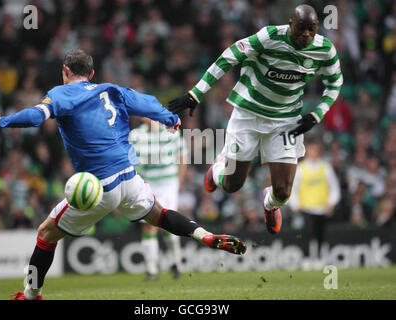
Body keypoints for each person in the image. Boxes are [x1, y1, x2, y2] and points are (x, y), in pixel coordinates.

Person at [0, 49, 247, 300]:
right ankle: (205, 235)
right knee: (159, 214)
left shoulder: (61, 94)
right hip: (129, 177)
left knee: (46, 233)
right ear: (92, 73)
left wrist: (2, 120)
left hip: (99, 184)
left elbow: (35, 117)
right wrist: (170, 118)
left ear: (66, 71)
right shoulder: (112, 90)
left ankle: (30, 295)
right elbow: (148, 103)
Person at [168, 5, 343, 235]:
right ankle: (218, 169)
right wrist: (195, 94)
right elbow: (229, 55)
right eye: (301, 28)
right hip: (248, 114)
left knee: (283, 192)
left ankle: (269, 205)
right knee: (233, 185)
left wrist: (316, 113)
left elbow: (335, 83)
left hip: (285, 120)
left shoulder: (324, 49)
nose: (306, 35)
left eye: (312, 29)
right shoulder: (270, 36)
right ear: (291, 23)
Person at [129, 117, 186, 280]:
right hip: (149, 184)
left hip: (168, 183)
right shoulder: (136, 135)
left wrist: (179, 181)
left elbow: (182, 156)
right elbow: (130, 161)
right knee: (148, 225)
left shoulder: (172, 131)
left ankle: (176, 263)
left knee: (170, 224)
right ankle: (151, 269)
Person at [289, 139, 341, 264]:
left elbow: (334, 187)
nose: (313, 153)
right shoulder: (300, 169)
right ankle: (308, 258)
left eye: (315, 150)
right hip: (306, 208)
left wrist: (331, 203)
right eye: (311, 150)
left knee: (321, 235)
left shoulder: (325, 167)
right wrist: (295, 204)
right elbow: (293, 188)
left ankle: (320, 258)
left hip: (322, 209)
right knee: (308, 234)